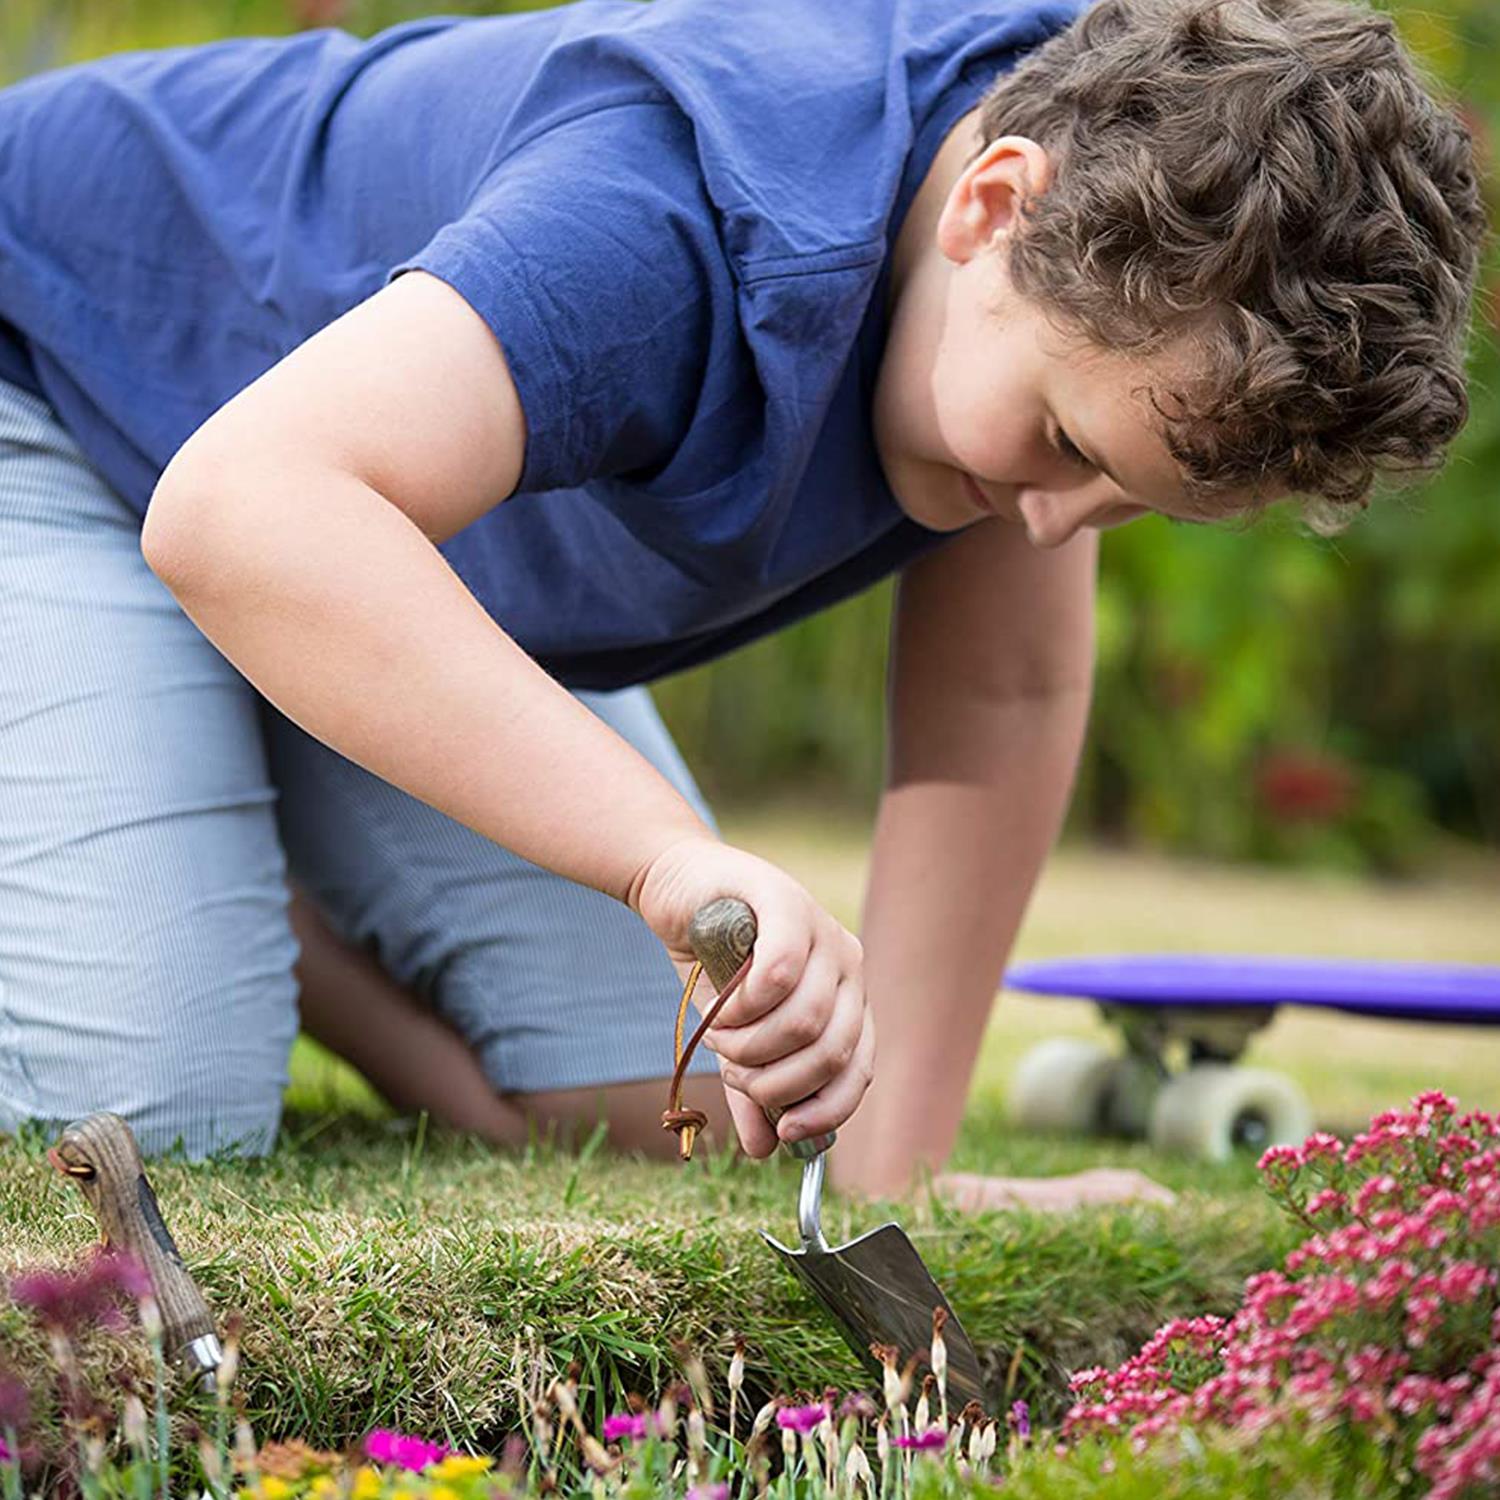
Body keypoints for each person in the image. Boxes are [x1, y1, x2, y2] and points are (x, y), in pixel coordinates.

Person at [0, 0, 1482, 1209]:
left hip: (354, 536)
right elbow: (242, 506)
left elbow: (1005, 698)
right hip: (63, 385)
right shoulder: (679, 219)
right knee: (166, 1112)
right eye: (1070, 449)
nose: (1054, 524)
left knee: (710, 1113)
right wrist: (665, 862)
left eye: (1128, 500)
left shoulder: (1087, 230)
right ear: (991, 204)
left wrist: (889, 1170)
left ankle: (254, 872)